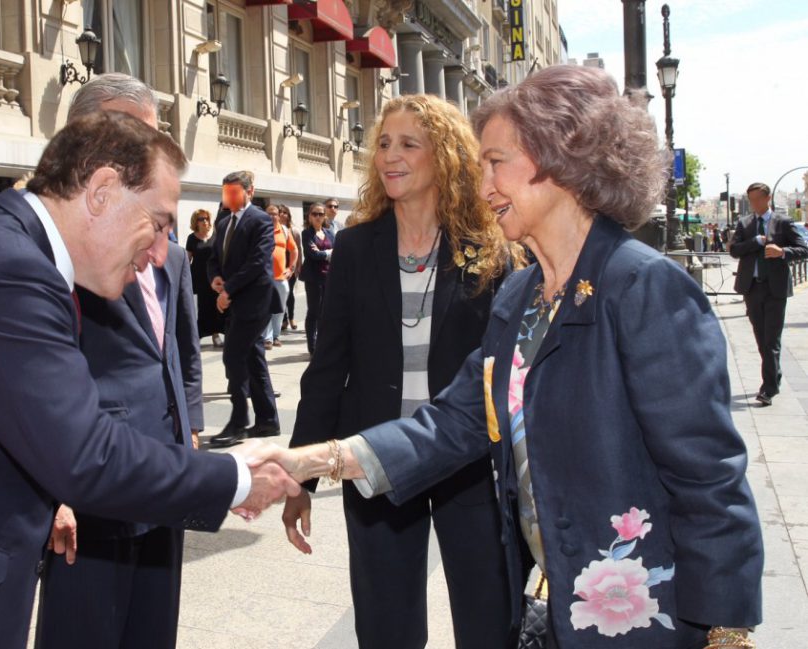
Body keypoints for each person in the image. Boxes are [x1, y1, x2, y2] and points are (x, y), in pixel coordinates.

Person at [266, 66, 764, 649]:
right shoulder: (520, 296)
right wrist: (310, 460)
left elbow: (708, 481)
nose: (481, 187)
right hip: (554, 611)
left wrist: (726, 633)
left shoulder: (643, 288)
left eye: (496, 163)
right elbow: (455, 422)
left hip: (637, 616)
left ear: (562, 161)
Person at [0, 112, 299, 649]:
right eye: (160, 223)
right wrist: (238, 477)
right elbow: (85, 456)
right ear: (101, 191)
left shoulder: (13, 253)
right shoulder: (5, 268)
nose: (157, 253)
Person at [282, 94, 515, 649]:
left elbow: (502, 377)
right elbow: (328, 366)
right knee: (386, 627)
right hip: (377, 459)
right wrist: (301, 475)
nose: (391, 155)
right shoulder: (357, 247)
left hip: (468, 464)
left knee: (488, 621)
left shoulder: (489, 249)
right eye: (384, 143)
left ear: (447, 157)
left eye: (410, 144)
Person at [34, 74, 207, 649]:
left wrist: (192, 428)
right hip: (93, 492)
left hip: (165, 475)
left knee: (153, 631)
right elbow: (31, 388)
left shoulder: (170, 254)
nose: (145, 152)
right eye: (127, 134)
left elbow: (179, 349)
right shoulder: (52, 254)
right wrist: (51, 492)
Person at [206, 170, 282, 447]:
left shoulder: (260, 220)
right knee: (252, 358)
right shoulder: (224, 222)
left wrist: (229, 290)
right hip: (236, 301)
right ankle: (268, 420)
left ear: (250, 192)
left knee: (232, 357)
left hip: (255, 301)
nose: (229, 197)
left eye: (235, 192)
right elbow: (215, 257)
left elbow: (257, 263)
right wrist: (214, 278)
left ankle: (238, 421)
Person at [729, 182, 808, 406]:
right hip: (752, 287)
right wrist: (754, 242)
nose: (754, 204)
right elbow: (734, 250)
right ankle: (774, 376)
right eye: (750, 200)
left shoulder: (783, 223)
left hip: (775, 288)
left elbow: (804, 249)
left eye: (757, 199)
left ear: (767, 198)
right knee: (761, 338)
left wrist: (782, 252)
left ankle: (768, 388)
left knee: (771, 339)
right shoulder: (745, 224)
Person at [299, 202, 335, 355]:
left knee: (325, 312)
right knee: (314, 311)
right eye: (315, 214)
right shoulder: (307, 234)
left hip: (328, 277)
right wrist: (328, 253)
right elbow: (312, 255)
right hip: (313, 278)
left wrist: (324, 252)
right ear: (309, 216)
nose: (318, 217)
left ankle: (323, 344)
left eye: (321, 214)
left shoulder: (330, 233)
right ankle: (312, 347)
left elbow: (337, 252)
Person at [186, 208, 225, 347]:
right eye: (201, 219)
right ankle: (198, 335)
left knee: (216, 306)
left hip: (215, 276)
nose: (204, 221)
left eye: (206, 218)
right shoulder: (192, 238)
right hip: (199, 277)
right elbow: (187, 259)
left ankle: (216, 335)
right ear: (195, 222)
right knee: (203, 307)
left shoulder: (216, 236)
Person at [263, 204, 298, 350]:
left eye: (275, 214)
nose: (272, 216)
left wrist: (291, 268)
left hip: (281, 278)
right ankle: (267, 338)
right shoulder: (261, 230)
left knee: (280, 308)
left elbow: (294, 249)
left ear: (279, 215)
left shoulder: (284, 230)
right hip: (265, 277)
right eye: (269, 214)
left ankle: (276, 336)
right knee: (266, 308)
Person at [278, 204, 302, 332]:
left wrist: (297, 267)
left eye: (284, 212)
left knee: (290, 293)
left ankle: (291, 317)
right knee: (280, 294)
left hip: (290, 267)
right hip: (278, 268)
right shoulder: (273, 230)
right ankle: (284, 319)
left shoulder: (294, 231)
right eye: (280, 212)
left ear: (288, 215)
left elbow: (298, 250)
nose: (282, 214)